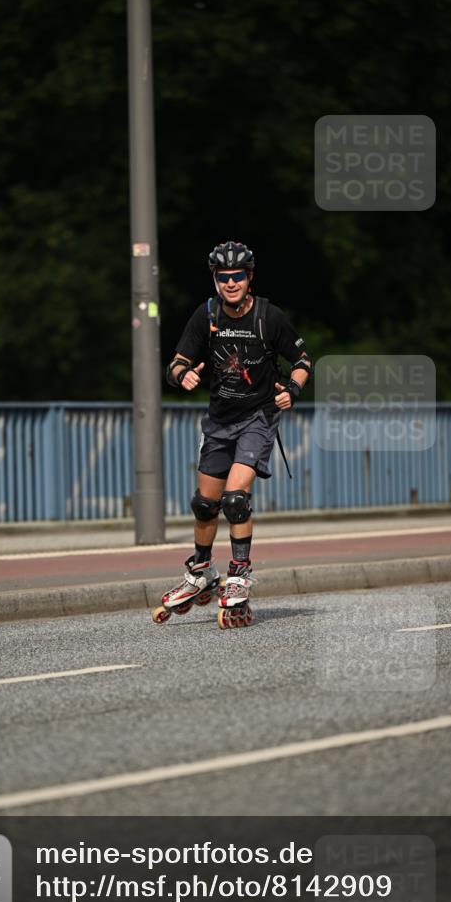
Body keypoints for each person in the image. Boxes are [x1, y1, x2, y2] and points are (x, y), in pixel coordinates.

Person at [153, 241, 313, 629]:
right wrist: (182, 375)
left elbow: (304, 361)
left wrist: (290, 390)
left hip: (258, 417)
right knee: (204, 505)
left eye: (237, 276)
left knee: (235, 499)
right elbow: (176, 362)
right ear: (215, 279)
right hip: (219, 422)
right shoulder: (206, 314)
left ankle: (239, 572)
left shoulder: (268, 317)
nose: (230, 283)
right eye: (223, 278)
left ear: (249, 277)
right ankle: (201, 571)